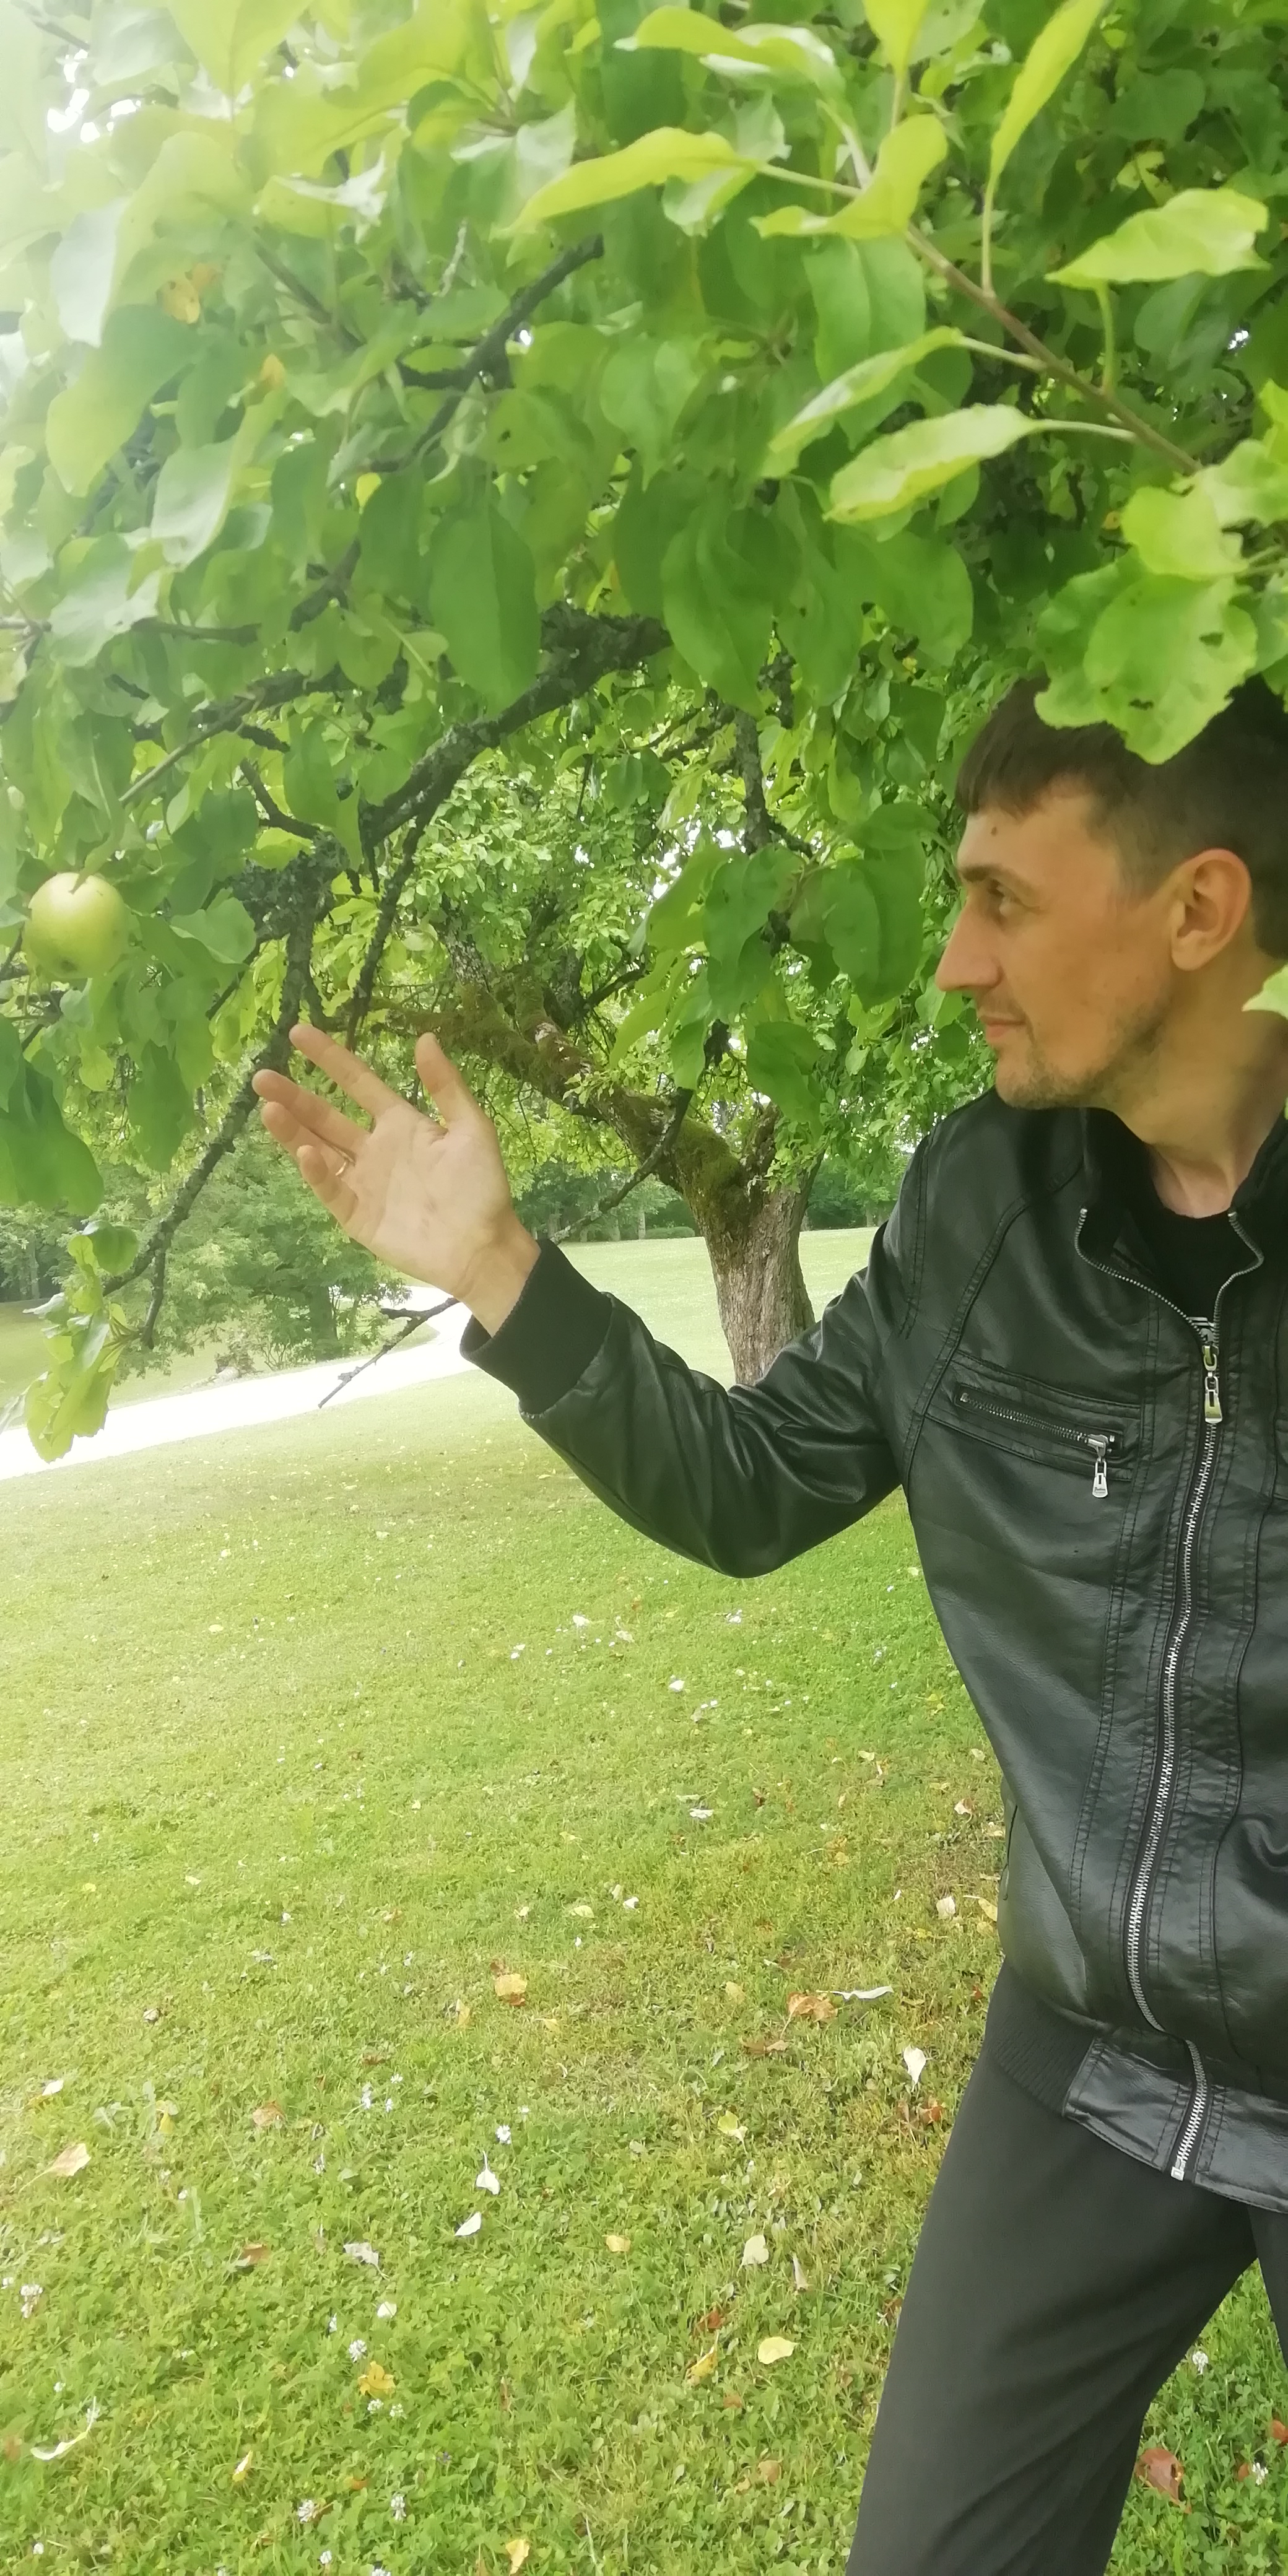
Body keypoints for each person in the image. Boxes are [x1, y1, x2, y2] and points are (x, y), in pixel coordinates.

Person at [254, 675, 1288, 2574]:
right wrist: (501, 1271)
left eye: (1003, 901)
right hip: (1087, 2045)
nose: (957, 961)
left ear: (1199, 909)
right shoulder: (976, 1213)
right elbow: (751, 1484)